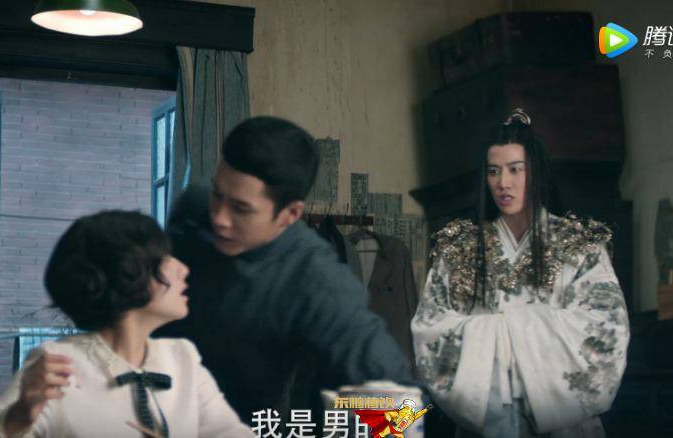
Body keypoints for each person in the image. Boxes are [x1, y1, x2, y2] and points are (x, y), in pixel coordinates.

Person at [155, 116, 413, 423]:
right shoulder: (194, 208)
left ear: (290, 214)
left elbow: (401, 404)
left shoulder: (317, 280)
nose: (219, 217)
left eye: (241, 209)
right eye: (217, 194)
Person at [411, 109, 630, 437]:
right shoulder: (458, 250)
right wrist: (529, 330)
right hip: (486, 424)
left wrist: (500, 334)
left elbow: (605, 328)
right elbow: (432, 331)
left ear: (536, 173)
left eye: (516, 169)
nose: (503, 183)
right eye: (494, 171)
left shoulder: (579, 246)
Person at [0, 211, 253, 438]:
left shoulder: (182, 357)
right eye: (163, 257)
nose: (183, 269)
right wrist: (20, 415)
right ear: (128, 273)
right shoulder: (58, 366)